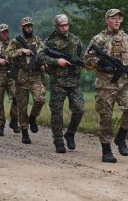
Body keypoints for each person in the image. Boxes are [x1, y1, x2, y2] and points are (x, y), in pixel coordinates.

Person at [84, 9, 128, 163]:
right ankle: (106, 151)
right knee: (106, 118)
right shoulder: (98, 39)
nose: (117, 20)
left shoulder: (125, 37)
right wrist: (100, 62)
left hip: (123, 83)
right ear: (107, 20)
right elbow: (86, 60)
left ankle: (121, 138)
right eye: (114, 18)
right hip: (105, 85)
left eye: (119, 18)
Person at [37, 14, 85, 153]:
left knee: (79, 109)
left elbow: (82, 56)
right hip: (58, 82)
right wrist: (56, 61)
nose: (64, 28)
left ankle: (70, 133)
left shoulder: (75, 40)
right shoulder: (50, 41)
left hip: (74, 81)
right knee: (56, 112)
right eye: (61, 25)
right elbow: (40, 56)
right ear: (57, 26)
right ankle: (58, 140)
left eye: (66, 25)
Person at [6, 17, 46, 144]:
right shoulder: (16, 41)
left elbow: (44, 53)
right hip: (22, 75)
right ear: (22, 27)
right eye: (26, 26)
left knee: (40, 99)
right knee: (22, 106)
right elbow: (8, 54)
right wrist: (21, 51)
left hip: (36, 75)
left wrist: (43, 63)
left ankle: (33, 117)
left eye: (30, 26)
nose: (29, 28)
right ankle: (24, 131)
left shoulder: (37, 40)